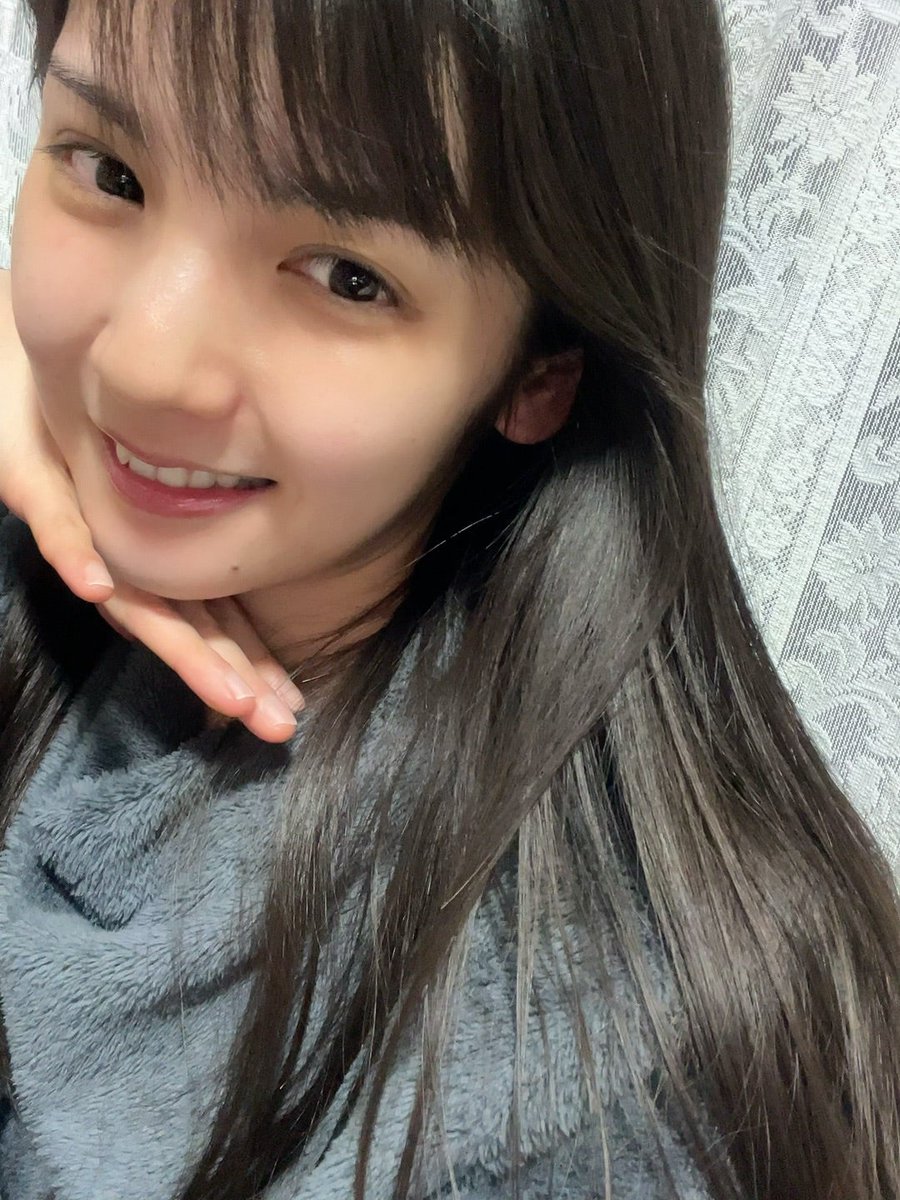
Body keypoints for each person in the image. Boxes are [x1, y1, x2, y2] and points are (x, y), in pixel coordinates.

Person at [0, 1, 897, 1199]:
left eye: (346, 276)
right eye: (111, 171)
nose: (141, 362)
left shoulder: (584, 1110)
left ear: (537, 376)